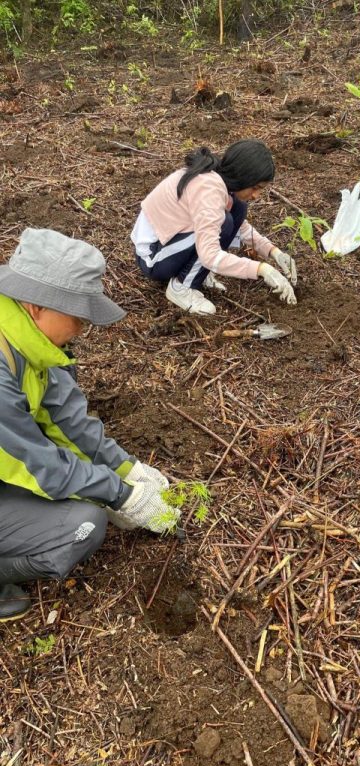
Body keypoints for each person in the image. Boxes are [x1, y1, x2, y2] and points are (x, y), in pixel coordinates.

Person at [0, 228, 181, 622]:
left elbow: (65, 418)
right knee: (81, 524)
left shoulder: (29, 340)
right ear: (36, 305)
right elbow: (36, 463)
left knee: (83, 497)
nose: (83, 329)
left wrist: (127, 468)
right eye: (78, 317)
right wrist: (120, 495)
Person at [131, 139, 297, 316]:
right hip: (153, 257)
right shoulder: (208, 189)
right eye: (255, 187)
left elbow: (241, 228)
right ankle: (181, 288)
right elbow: (209, 254)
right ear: (243, 176)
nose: (256, 195)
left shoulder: (218, 180)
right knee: (225, 223)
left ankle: (195, 274)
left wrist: (273, 252)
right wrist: (262, 270)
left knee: (238, 209)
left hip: (171, 243)